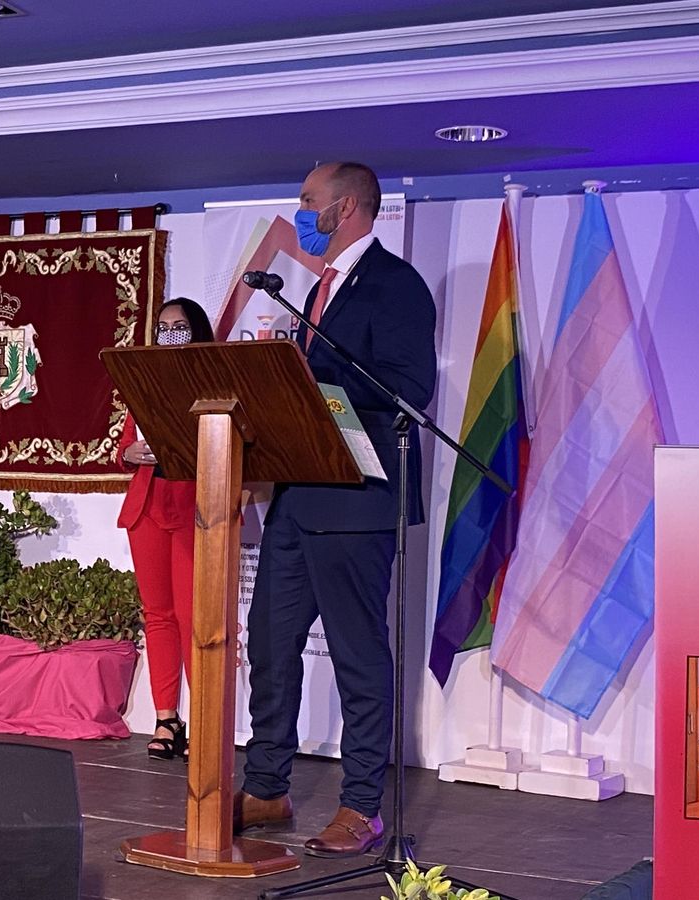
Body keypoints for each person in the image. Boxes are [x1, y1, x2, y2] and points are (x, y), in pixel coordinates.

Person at [234, 163, 438, 856]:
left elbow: (412, 390)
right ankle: (266, 788)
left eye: (309, 203)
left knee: (358, 658)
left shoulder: (395, 285)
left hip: (355, 502)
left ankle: (360, 807)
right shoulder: (315, 290)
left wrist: (317, 374)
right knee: (269, 644)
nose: (303, 215)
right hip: (296, 496)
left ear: (346, 207)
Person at [117, 297, 215, 760]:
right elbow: (125, 442)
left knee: (194, 618)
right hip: (149, 505)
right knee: (157, 615)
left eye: (179, 326)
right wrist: (129, 454)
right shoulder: (143, 377)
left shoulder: (214, 376)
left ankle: (206, 725)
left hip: (196, 505)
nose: (169, 333)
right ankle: (165, 718)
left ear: (196, 331)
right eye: (162, 326)